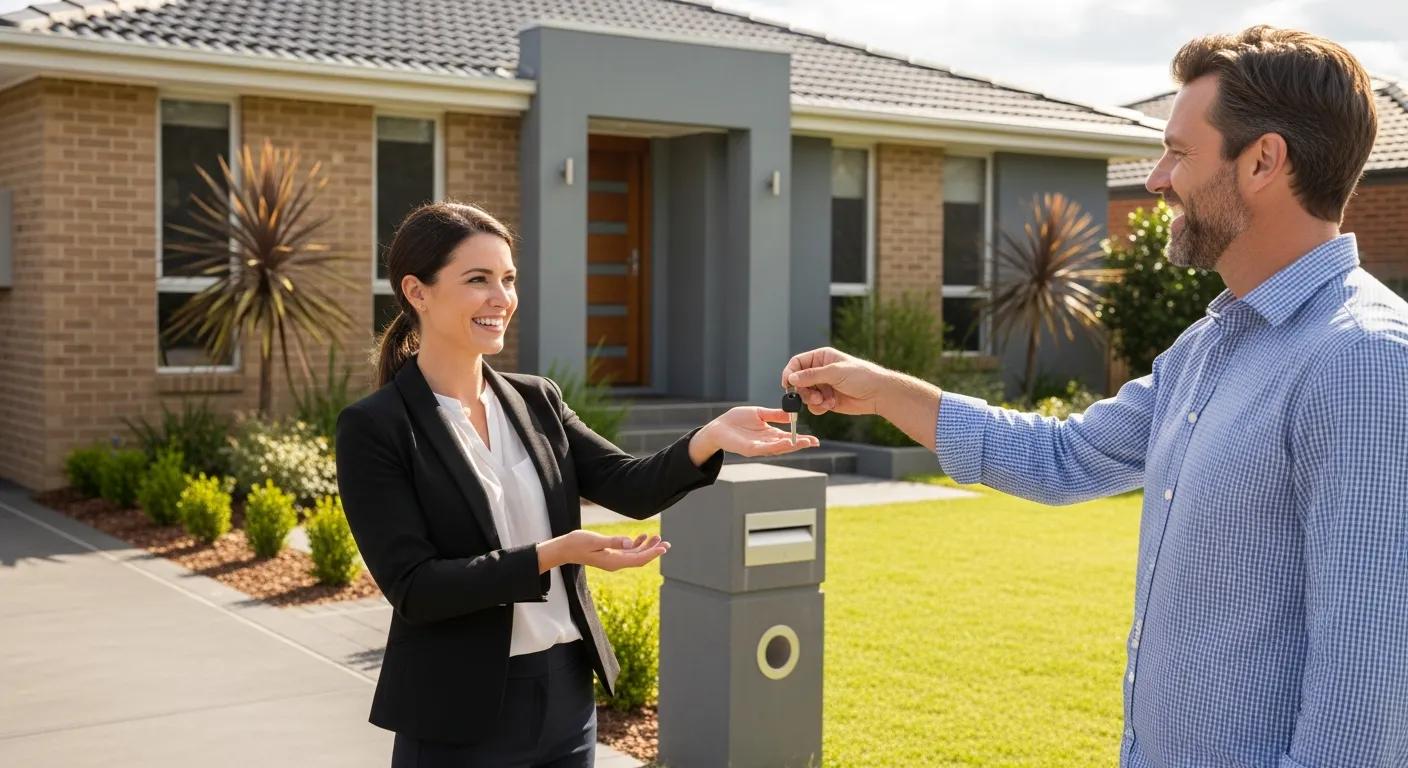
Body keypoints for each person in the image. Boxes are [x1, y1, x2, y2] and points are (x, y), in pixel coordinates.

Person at [782, 26, 1407, 768]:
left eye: (1180, 152)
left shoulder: (1362, 362)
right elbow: (1065, 457)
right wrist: (886, 392)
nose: (1157, 179)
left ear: (1263, 161)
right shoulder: (1209, 347)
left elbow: (1369, 687)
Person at [335, 201, 818, 768]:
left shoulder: (537, 399)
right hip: (455, 714)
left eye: (508, 279)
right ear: (417, 292)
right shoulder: (376, 427)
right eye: (478, 280)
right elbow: (417, 588)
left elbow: (629, 485)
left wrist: (710, 437)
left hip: (565, 697)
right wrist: (553, 554)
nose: (502, 297)